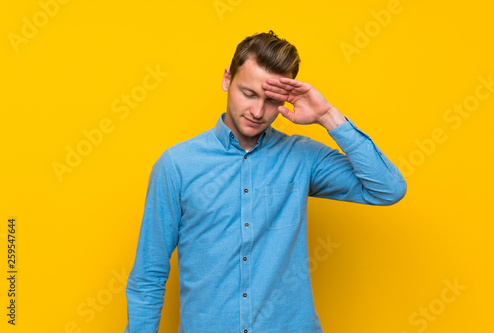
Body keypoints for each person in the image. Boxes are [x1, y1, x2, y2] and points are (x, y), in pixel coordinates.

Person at [124, 30, 407, 333]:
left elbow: (387, 189)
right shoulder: (177, 165)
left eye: (272, 101)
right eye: (249, 94)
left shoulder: (302, 157)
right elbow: (148, 274)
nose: (258, 112)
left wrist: (326, 115)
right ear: (226, 80)